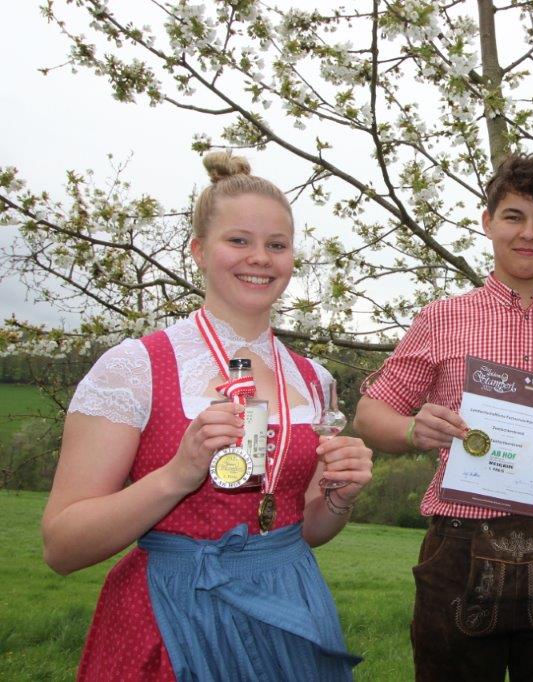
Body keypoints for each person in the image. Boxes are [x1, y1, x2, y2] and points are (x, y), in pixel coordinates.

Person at [42, 152, 370, 681]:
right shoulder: (134, 368)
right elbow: (62, 546)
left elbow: (303, 529)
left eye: (277, 245)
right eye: (238, 240)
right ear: (198, 250)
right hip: (174, 609)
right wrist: (178, 474)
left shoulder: (315, 381)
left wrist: (337, 498)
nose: (259, 258)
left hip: (289, 607)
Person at [353, 153, 533, 681]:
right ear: (488, 222)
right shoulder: (441, 318)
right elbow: (370, 414)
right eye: (513, 216)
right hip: (459, 544)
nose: (528, 233)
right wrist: (415, 429)